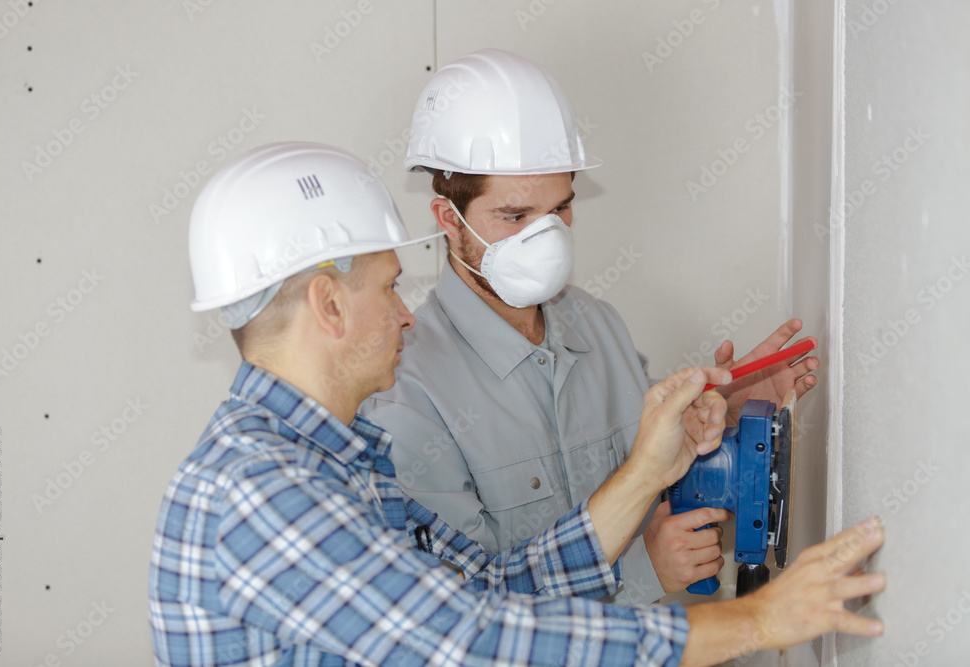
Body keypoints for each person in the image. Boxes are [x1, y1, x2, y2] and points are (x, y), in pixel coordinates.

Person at [148, 142, 884, 667]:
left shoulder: (340, 468)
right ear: (329, 305)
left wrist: (649, 469)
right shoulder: (259, 491)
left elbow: (499, 586)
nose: (407, 315)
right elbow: (473, 641)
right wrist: (756, 618)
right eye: (387, 288)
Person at [360, 49, 820, 604]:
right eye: (515, 217)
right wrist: (645, 571)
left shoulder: (597, 327)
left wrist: (724, 419)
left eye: (561, 208)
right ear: (447, 221)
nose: (546, 236)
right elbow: (460, 619)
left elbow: (658, 479)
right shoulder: (405, 390)